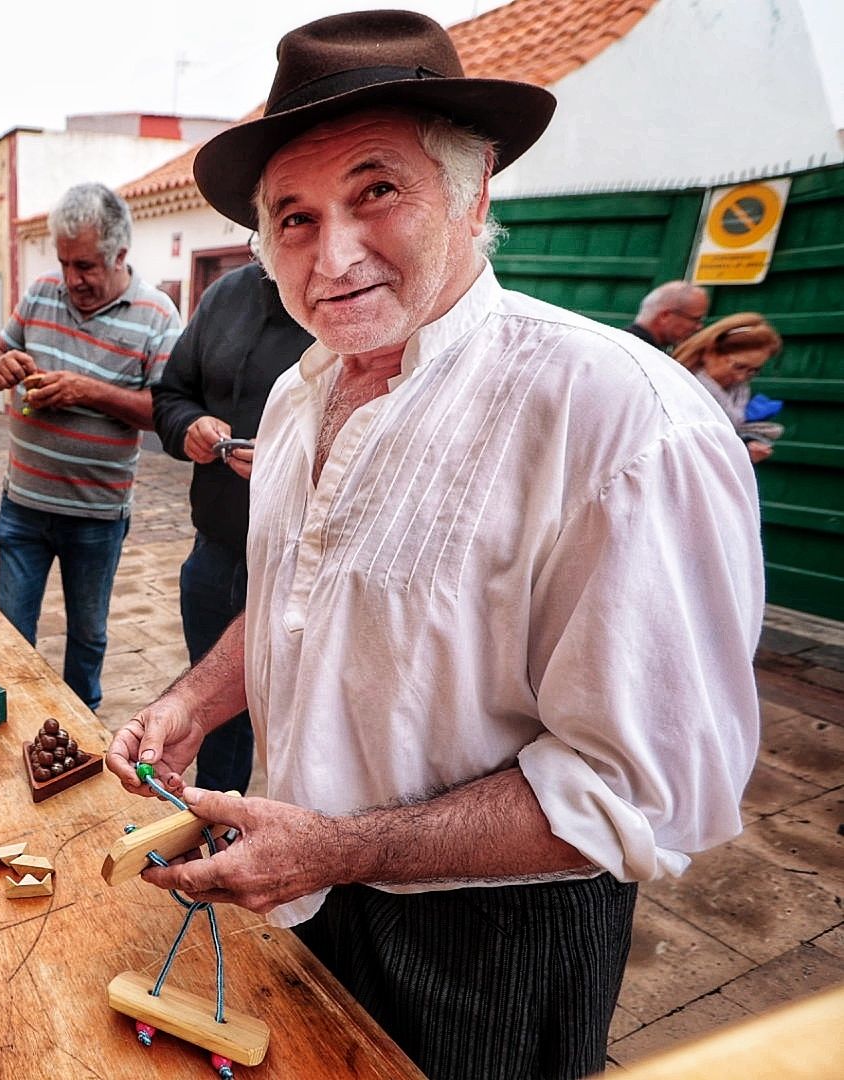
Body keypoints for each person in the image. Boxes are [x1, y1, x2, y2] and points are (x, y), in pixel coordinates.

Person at [105, 13, 762, 1079]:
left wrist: (348, 847)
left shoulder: (622, 421)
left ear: (475, 189)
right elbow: (298, 597)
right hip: (309, 892)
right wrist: (193, 702)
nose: (335, 254)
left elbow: (641, 786)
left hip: (493, 942)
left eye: (377, 190)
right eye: (295, 217)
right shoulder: (301, 388)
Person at [0, 183, 181, 710]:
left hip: (96, 516)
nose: (72, 280)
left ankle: (81, 727)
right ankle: (11, 724)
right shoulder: (42, 292)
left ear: (120, 254)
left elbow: (167, 413)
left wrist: (86, 390)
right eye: (65, 263)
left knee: (87, 636)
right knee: (9, 632)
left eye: (86, 265)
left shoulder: (157, 316)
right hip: (22, 506)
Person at [151, 262, 312, 793]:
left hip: (307, 560)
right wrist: (188, 428)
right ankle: (217, 818)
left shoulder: (344, 305)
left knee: (302, 716)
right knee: (212, 704)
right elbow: (171, 395)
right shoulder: (225, 295)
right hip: (217, 549)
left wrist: (288, 462)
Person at [674, 312, 785, 463]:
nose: (741, 377)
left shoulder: (738, 391)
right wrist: (738, 455)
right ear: (710, 352)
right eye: (739, 366)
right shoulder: (679, 388)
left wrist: (747, 445)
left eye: (753, 370)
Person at [624, 279, 710, 351]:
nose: (699, 327)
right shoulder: (645, 356)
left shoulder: (619, 343)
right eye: (695, 319)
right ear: (665, 316)